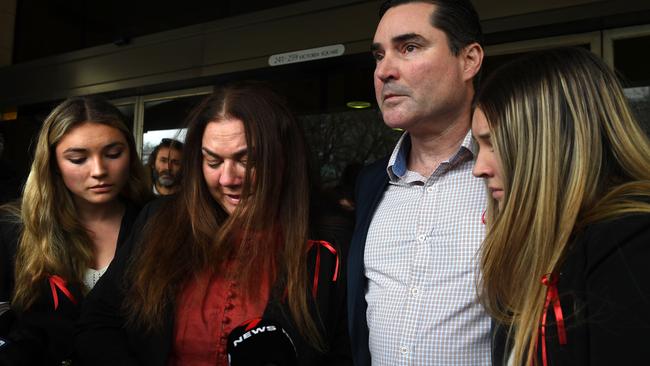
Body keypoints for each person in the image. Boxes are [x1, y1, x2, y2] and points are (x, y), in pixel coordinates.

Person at [76, 82, 352, 365]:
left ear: (284, 158)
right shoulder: (159, 222)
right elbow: (99, 321)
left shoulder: (329, 241)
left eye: (248, 160)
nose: (228, 179)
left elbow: (345, 352)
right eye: (213, 161)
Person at [472, 47, 650, 366]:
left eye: (495, 144)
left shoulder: (630, 244)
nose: (478, 168)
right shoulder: (541, 244)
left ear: (551, 145)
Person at [348, 0, 490, 365]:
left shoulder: (515, 175)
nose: (384, 72)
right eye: (379, 56)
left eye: (409, 48)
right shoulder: (369, 184)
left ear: (469, 60)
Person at [0, 96, 151, 365]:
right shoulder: (14, 227)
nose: (99, 171)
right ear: (53, 165)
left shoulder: (155, 222)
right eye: (78, 158)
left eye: (113, 154)